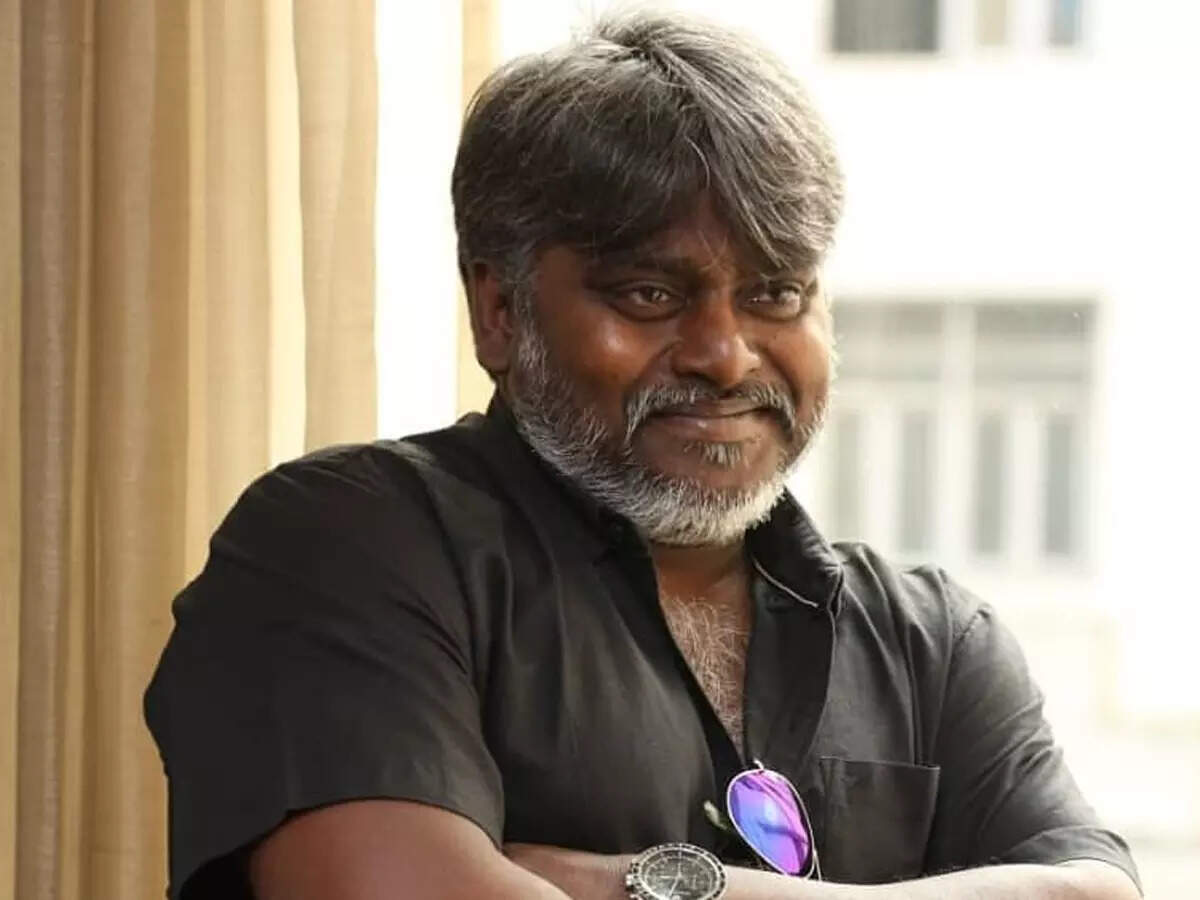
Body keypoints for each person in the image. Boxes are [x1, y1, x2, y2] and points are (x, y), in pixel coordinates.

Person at [145, 10, 1141, 900]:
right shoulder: (346, 546)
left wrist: (634, 887)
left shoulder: (933, 643)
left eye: (776, 293)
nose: (725, 355)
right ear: (500, 311)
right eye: (650, 296)